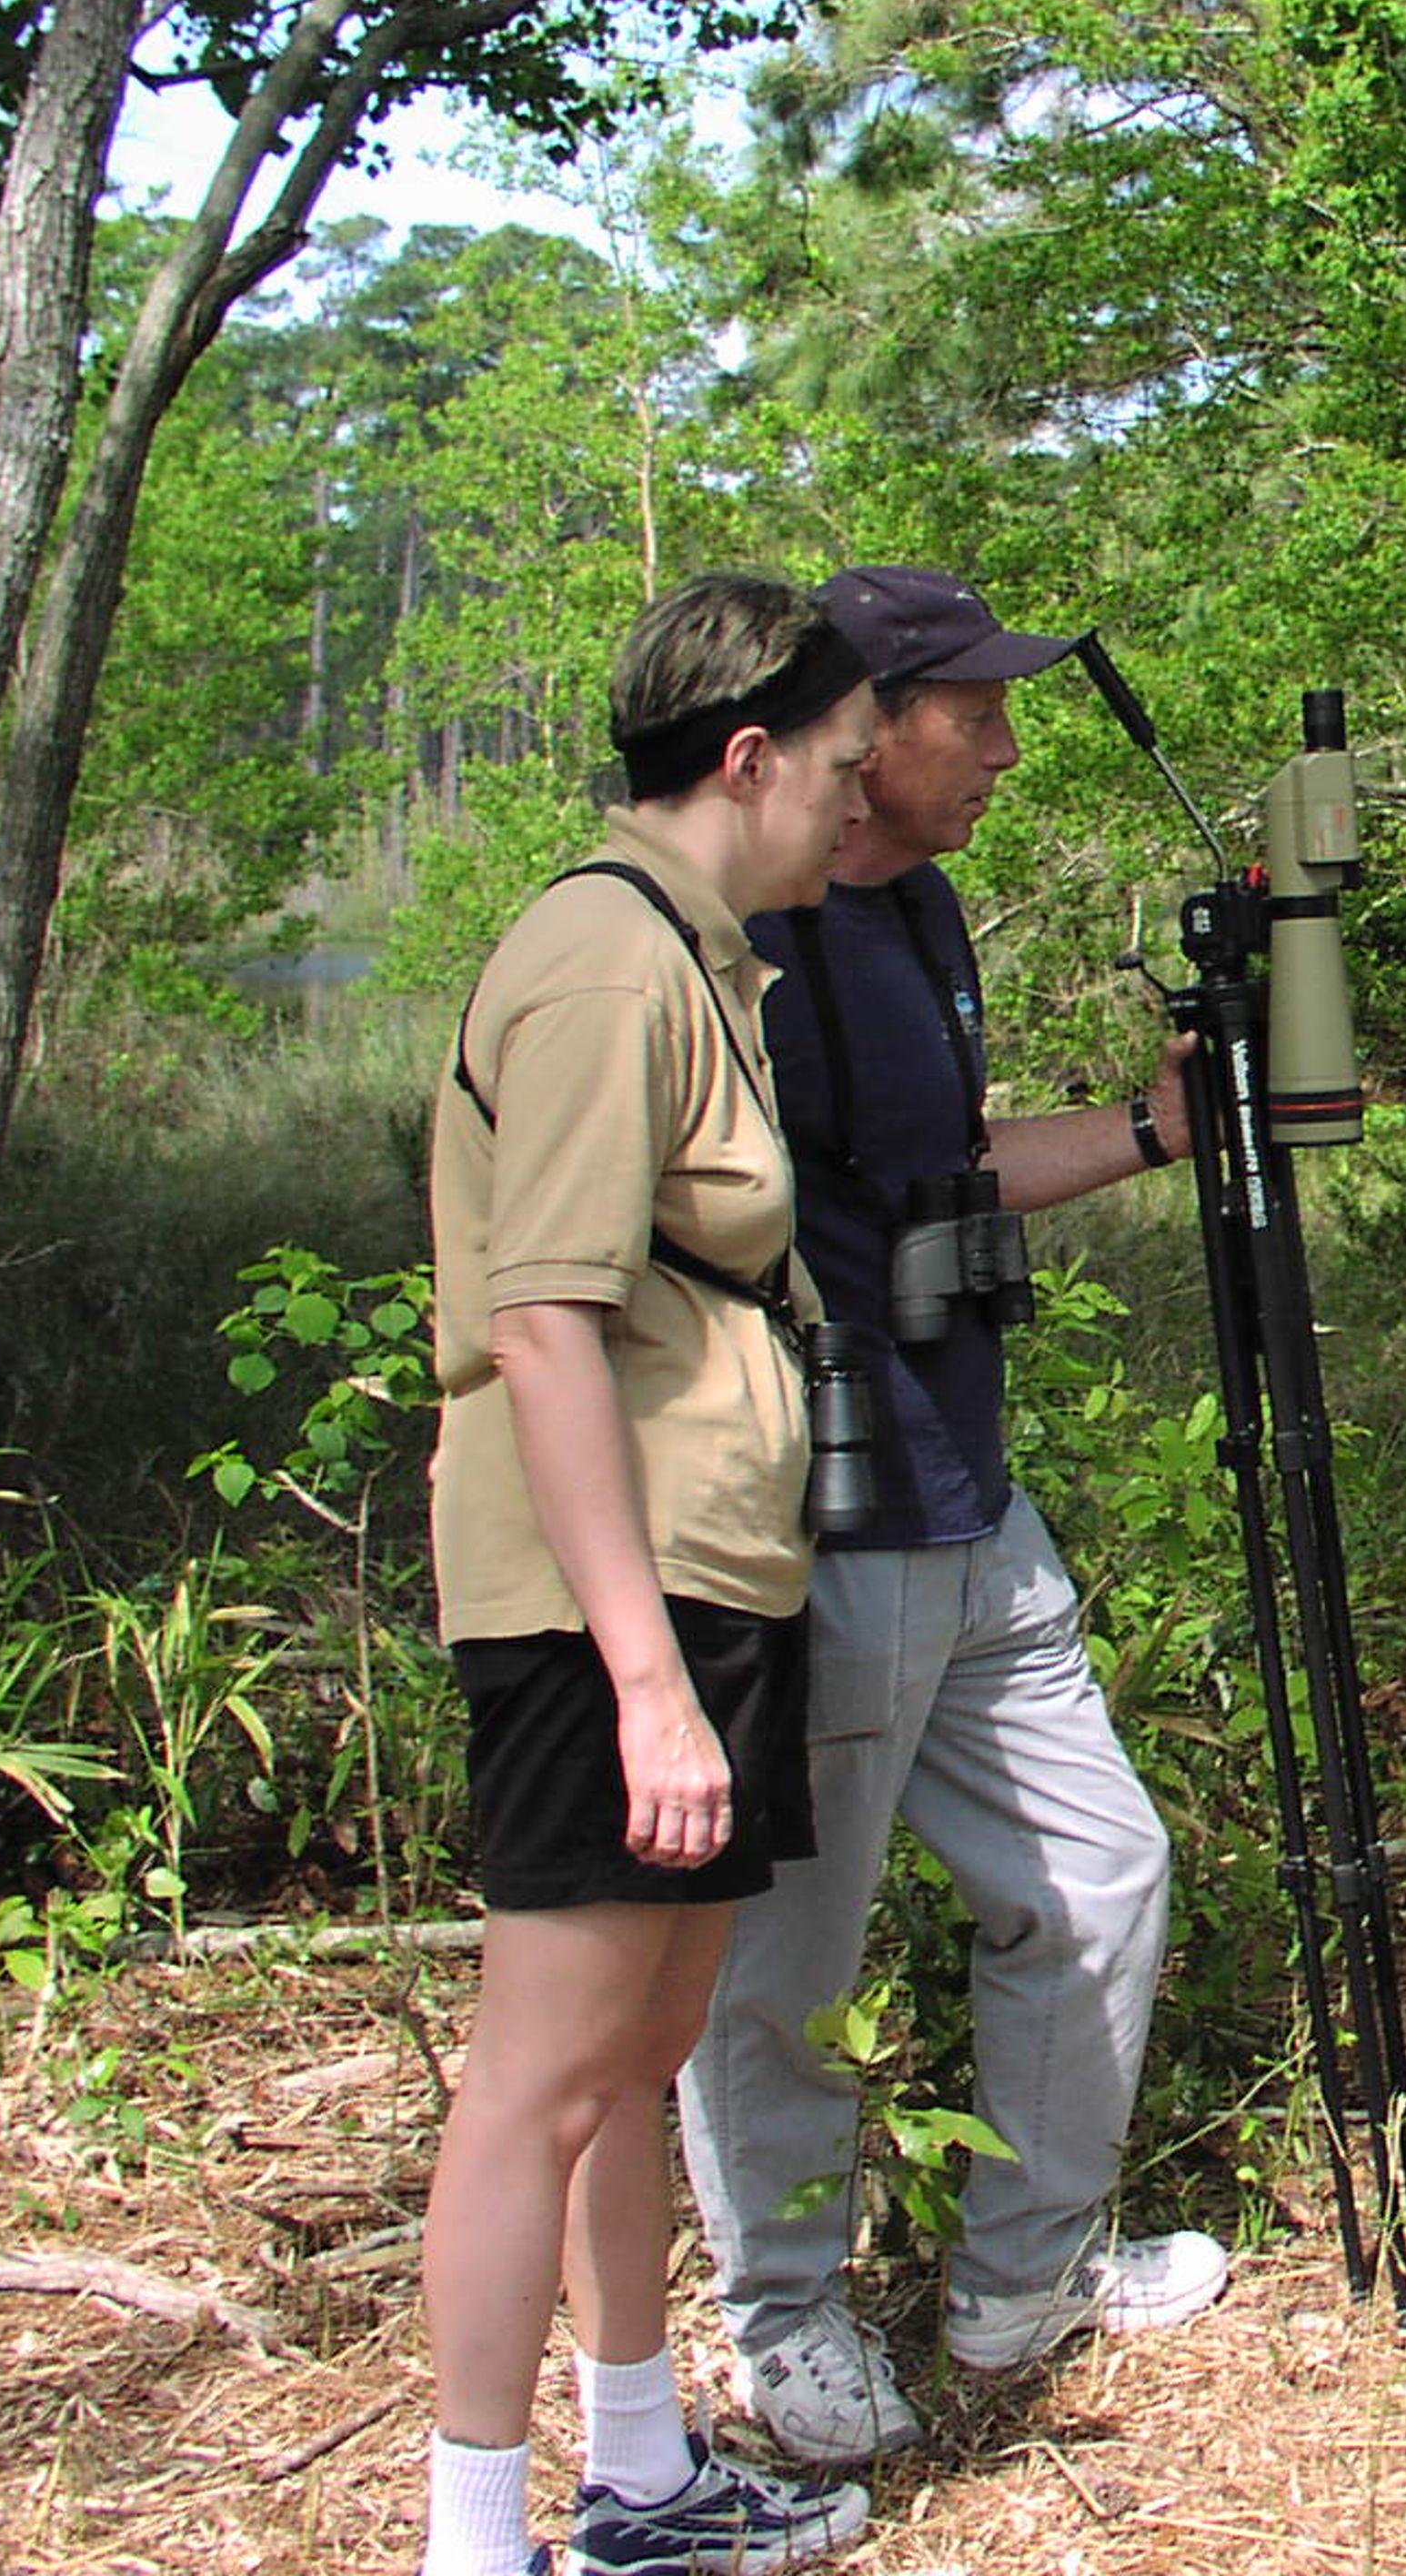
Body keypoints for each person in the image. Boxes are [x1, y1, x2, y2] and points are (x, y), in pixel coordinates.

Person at [678, 566, 1228, 2467]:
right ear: (861, 724)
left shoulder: (914, 902)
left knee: (1095, 1873)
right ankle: (787, 2321)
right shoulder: (748, 934)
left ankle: (1026, 2274)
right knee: (789, 1966)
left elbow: (944, 1167)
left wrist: (1162, 1133)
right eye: (968, 714)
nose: (1000, 747)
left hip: (966, 1484)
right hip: (828, 1515)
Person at [417, 572, 882, 2576]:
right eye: (847, 771)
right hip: (604, 1602)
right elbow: (543, 1327)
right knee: (539, 2076)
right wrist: (642, 1678)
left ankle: (637, 2479)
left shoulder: (703, 959)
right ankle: (472, 2540)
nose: (861, 812)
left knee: (638, 2053)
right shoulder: (603, 962)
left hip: (707, 1574)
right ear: (749, 755)